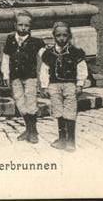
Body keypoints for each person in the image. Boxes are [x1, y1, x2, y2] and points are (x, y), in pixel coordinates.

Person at [40, 21, 88, 152]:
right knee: (58, 111)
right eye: (58, 35)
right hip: (54, 85)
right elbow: (44, 70)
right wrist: (44, 86)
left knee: (70, 111)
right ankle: (62, 138)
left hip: (70, 85)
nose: (61, 38)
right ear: (54, 36)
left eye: (65, 35)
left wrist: (80, 84)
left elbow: (82, 69)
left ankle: (71, 141)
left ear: (69, 36)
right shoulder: (48, 53)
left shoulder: (76, 52)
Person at [1, 10, 46, 144]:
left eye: (26, 25)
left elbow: (45, 60)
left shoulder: (36, 42)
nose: (23, 28)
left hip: (30, 77)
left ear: (30, 26)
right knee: (20, 102)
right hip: (15, 77)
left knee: (31, 102)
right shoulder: (10, 40)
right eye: (20, 25)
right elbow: (6, 57)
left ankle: (33, 132)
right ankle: (28, 129)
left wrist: (44, 80)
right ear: (15, 25)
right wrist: (5, 74)